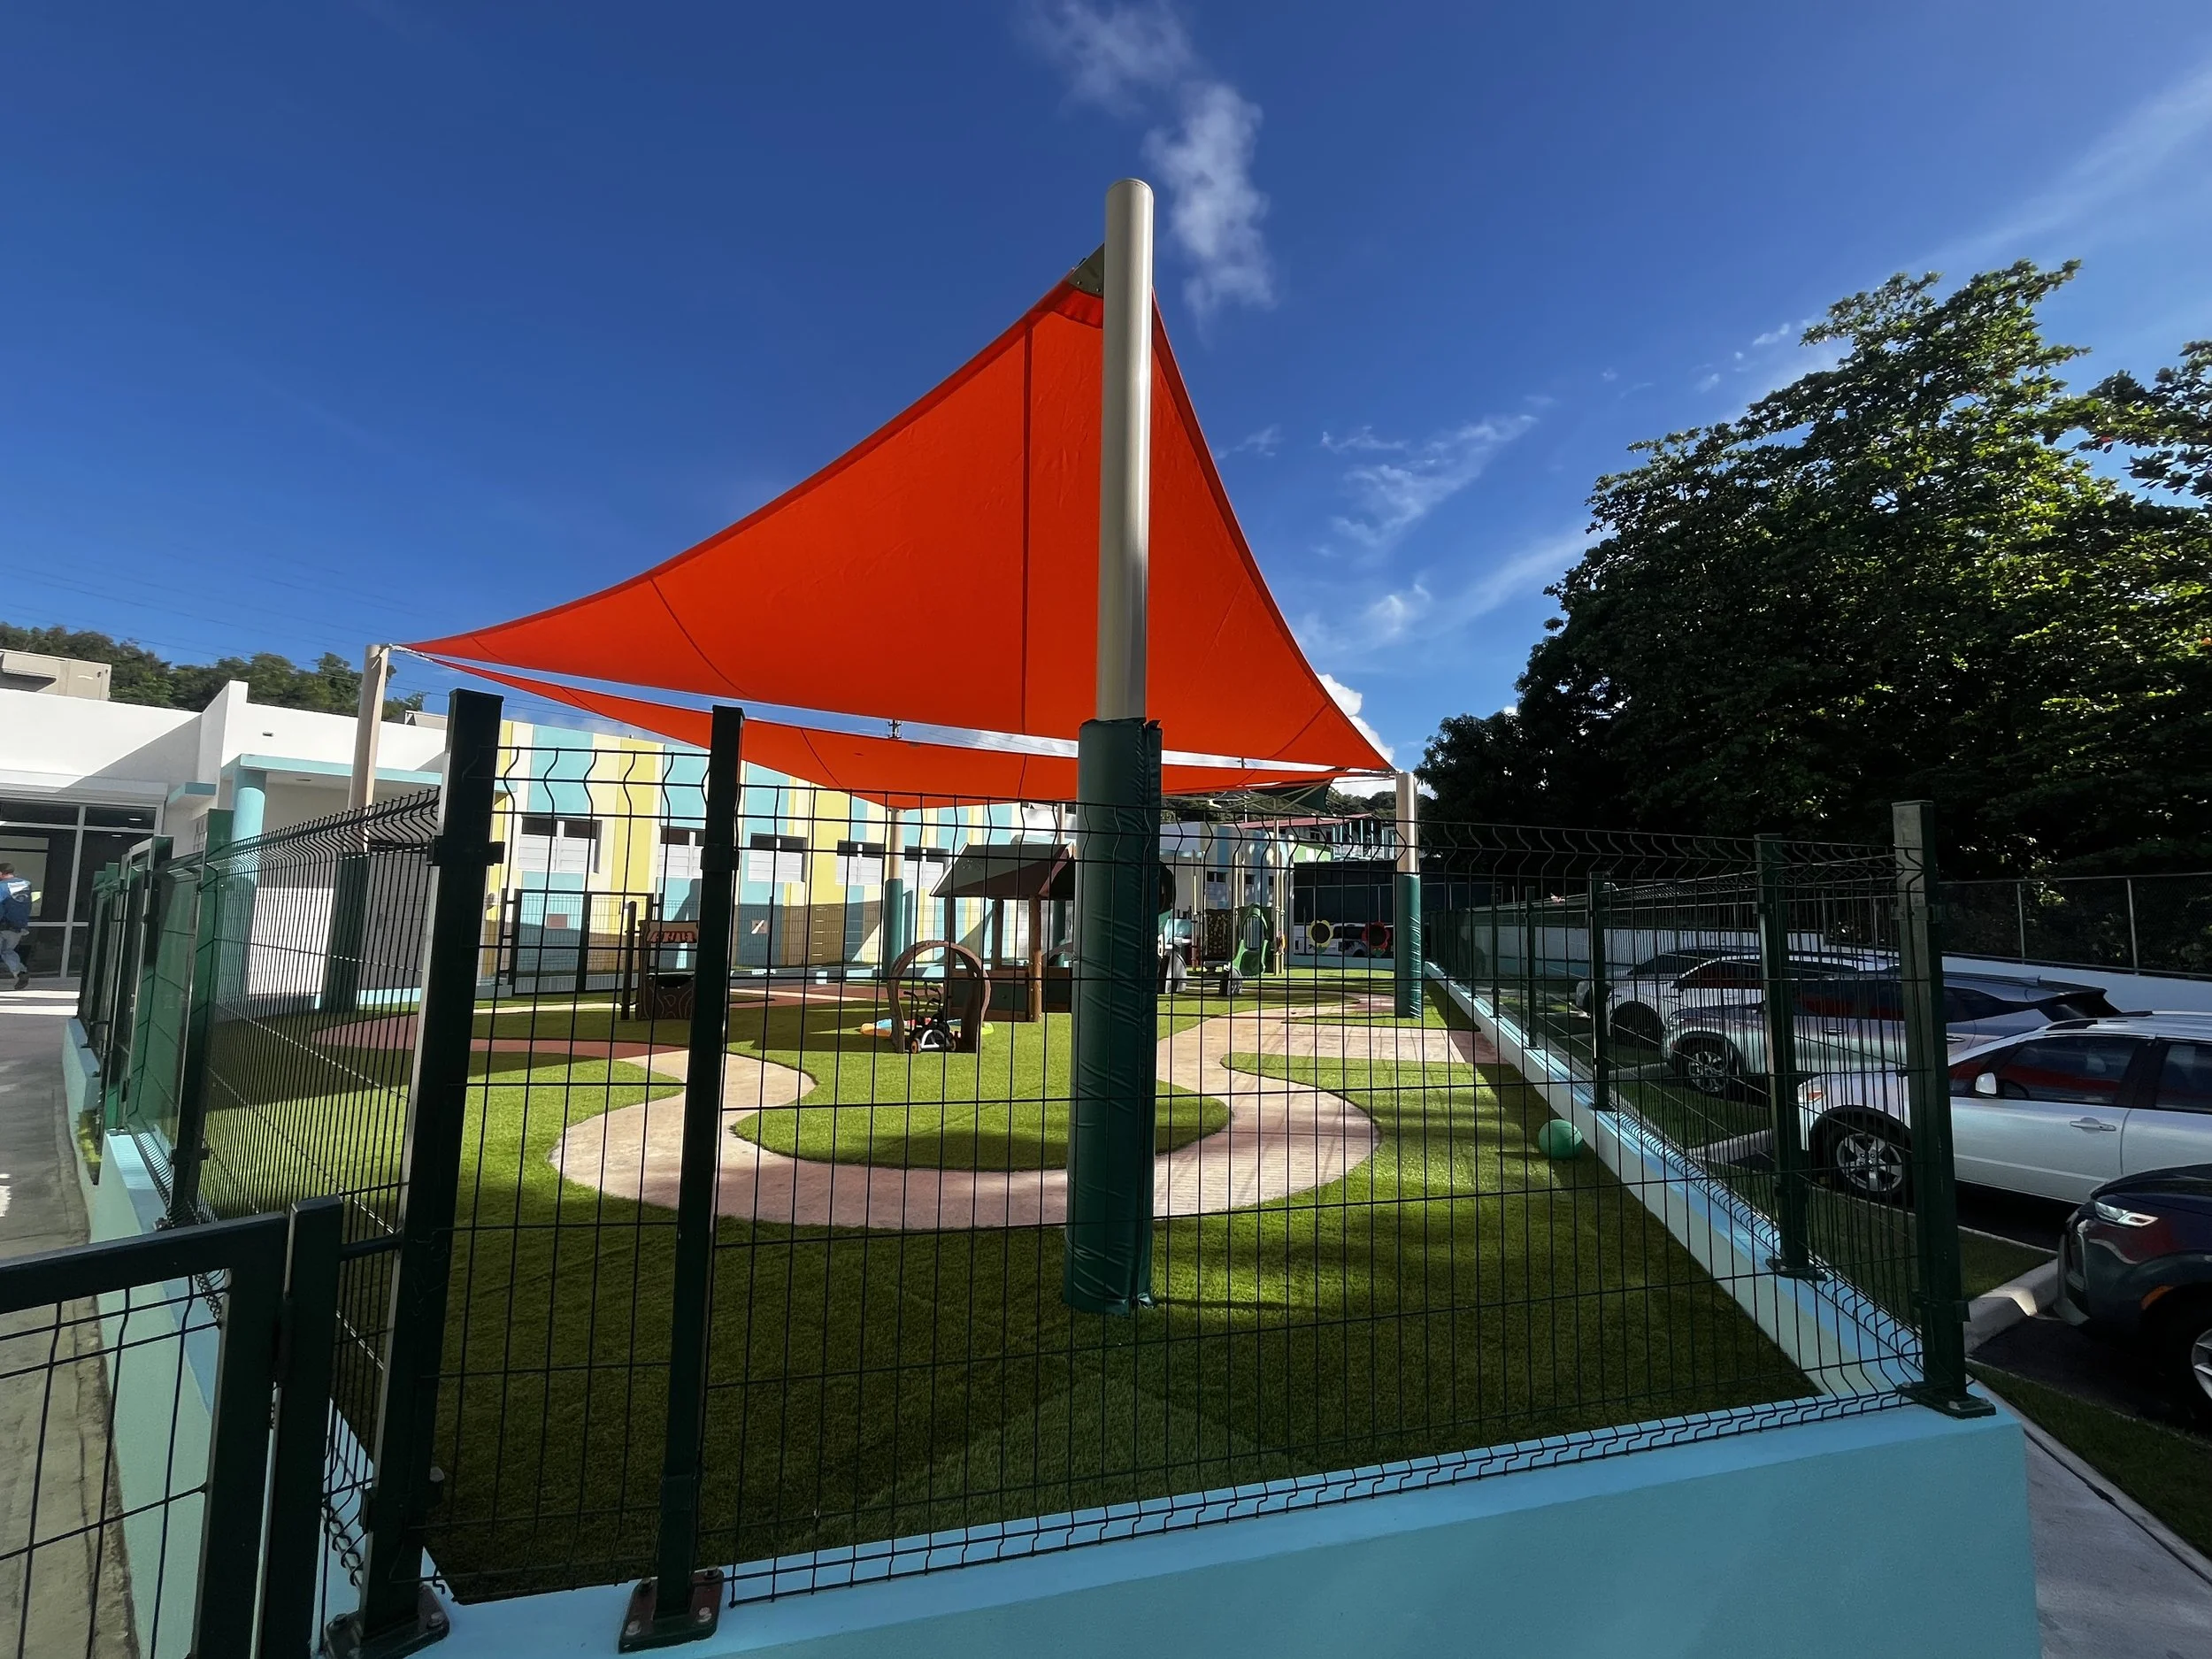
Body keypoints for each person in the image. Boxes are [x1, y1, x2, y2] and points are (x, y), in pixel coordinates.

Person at [0, 862, 31, 989]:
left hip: (3, 925)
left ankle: (20, 972)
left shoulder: (2, 886)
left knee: (6, 951)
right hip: (18, 927)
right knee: (7, 951)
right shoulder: (26, 885)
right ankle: (21, 972)